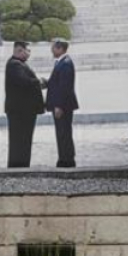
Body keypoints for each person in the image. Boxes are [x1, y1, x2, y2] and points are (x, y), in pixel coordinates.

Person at [4, 41, 45, 168]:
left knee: (24, 140)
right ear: (19, 50)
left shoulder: (18, 64)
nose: (29, 53)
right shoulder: (15, 65)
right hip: (20, 112)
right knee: (20, 140)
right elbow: (24, 82)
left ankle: (21, 164)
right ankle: (18, 166)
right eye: (28, 50)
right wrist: (40, 82)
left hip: (23, 111)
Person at [43, 38, 79, 168]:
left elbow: (64, 87)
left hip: (62, 106)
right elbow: (57, 82)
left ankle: (67, 160)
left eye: (53, 47)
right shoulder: (61, 62)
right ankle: (64, 157)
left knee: (64, 132)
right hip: (61, 105)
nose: (51, 50)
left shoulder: (65, 64)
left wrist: (59, 106)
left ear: (60, 49)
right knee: (62, 132)